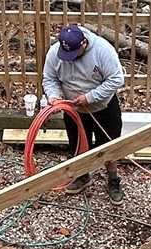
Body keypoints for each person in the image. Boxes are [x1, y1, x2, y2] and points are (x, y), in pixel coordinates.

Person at [41, 22, 127, 195]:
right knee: (78, 144)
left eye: (73, 54)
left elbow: (116, 80)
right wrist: (54, 96)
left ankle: (113, 178)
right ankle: (82, 175)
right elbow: (49, 79)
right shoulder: (55, 53)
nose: (69, 58)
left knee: (109, 145)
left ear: (83, 44)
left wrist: (90, 98)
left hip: (104, 106)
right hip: (74, 110)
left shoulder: (102, 50)